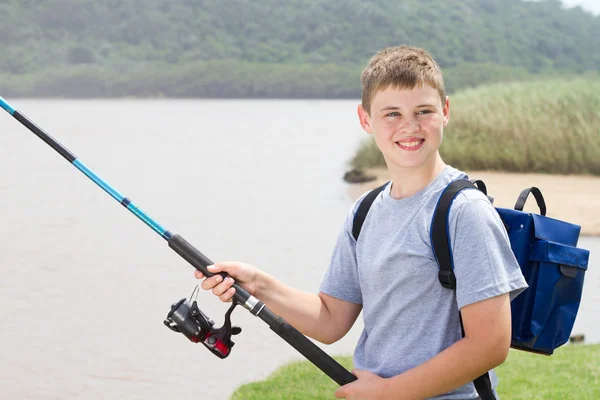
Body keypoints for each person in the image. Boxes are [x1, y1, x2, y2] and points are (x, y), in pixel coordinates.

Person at [194, 45, 528, 399]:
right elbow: (329, 319)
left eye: (424, 111)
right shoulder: (365, 210)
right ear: (365, 119)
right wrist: (259, 284)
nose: (409, 126)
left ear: (445, 111)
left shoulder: (465, 212)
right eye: (392, 114)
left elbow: (490, 344)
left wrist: (388, 392)